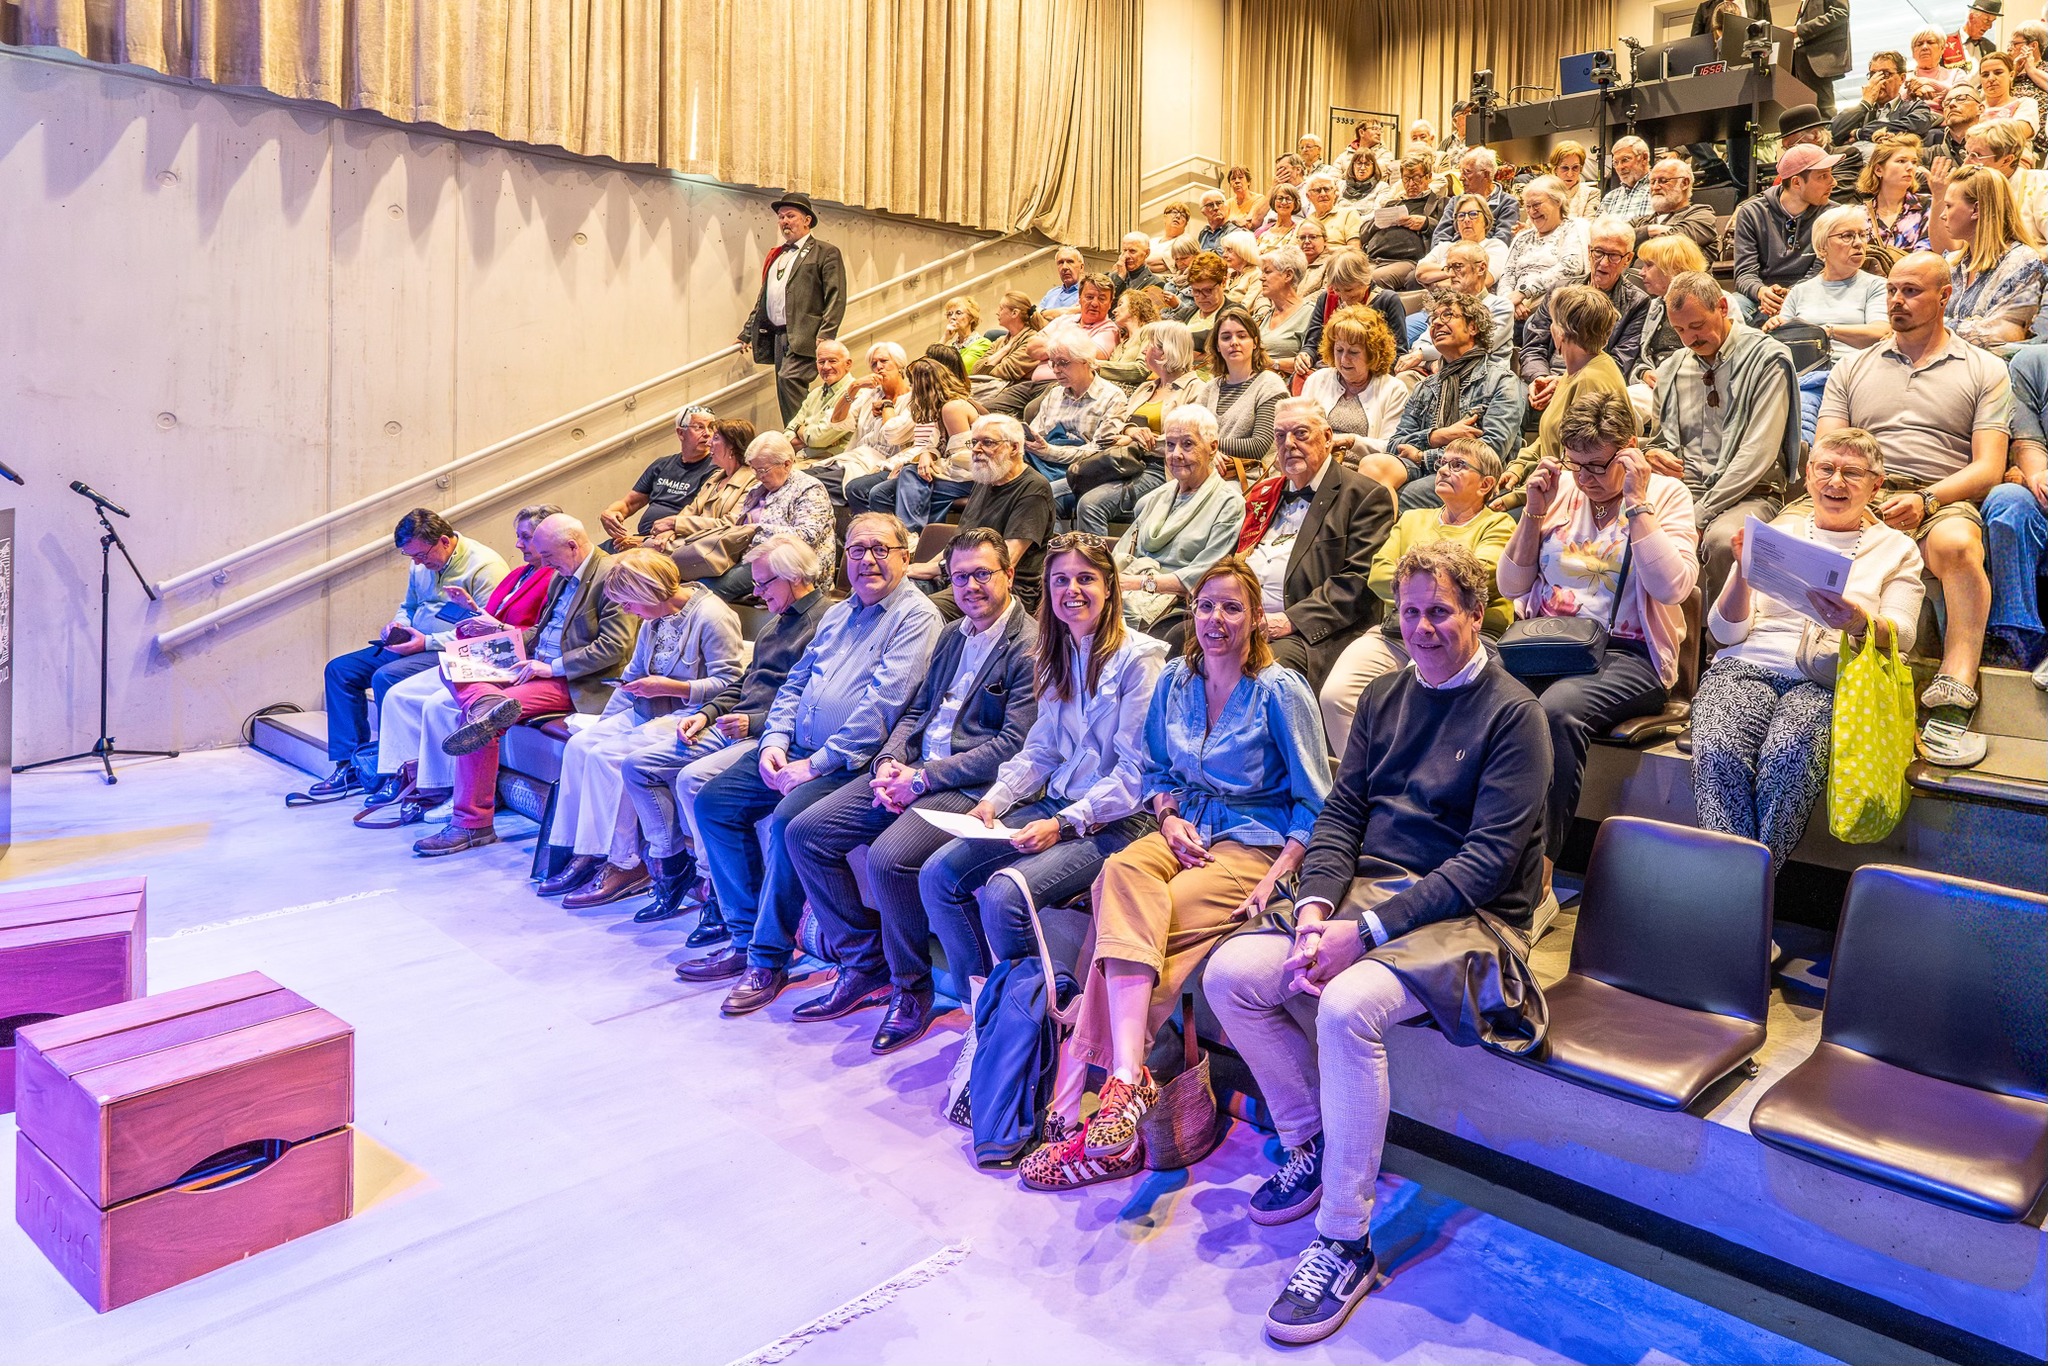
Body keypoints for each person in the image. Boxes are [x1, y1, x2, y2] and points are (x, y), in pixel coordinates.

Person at [1206, 540, 1551, 1346]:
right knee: (1231, 975)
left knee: (1346, 1006)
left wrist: (1361, 936)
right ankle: (1307, 1141)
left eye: (1440, 612)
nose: (1423, 628)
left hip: (1473, 919)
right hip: (1367, 895)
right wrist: (1315, 905)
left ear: (1477, 614)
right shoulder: (1386, 695)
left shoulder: (1517, 716)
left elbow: (1487, 863)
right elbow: (1342, 814)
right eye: (1410, 612)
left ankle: (1344, 1240)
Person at [1019, 558, 1332, 1192]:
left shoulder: (1280, 690)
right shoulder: (1175, 681)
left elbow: (1316, 802)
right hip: (1183, 831)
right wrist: (1165, 818)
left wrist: (1278, 876)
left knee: (1134, 928)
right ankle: (1126, 1081)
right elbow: (1157, 774)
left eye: (1232, 607)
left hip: (1251, 845)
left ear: (1256, 619)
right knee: (1119, 872)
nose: (1216, 619)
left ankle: (1080, 1094)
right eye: (1206, 605)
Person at [781, 529, 1040, 1051]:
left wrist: (921, 779)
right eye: (960, 577)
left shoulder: (1029, 646)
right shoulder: (953, 633)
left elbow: (1013, 745)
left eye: (983, 574)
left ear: (1009, 575)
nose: (970, 587)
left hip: (971, 785)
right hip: (914, 768)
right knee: (805, 833)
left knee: (888, 858)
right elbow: (918, 710)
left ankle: (911, 990)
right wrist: (889, 763)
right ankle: (864, 964)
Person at [680, 514, 945, 1013]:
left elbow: (882, 707)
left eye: (881, 549)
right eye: (857, 549)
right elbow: (794, 683)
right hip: (796, 747)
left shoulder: (916, 617)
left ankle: (768, 959)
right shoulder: (840, 612)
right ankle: (742, 935)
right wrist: (774, 740)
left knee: (789, 821)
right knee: (713, 802)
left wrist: (815, 766)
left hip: (850, 761)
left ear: (906, 556)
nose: (867, 560)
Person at [917, 537, 1168, 1062]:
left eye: (1085, 578)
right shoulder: (1056, 652)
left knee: (1005, 896)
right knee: (939, 875)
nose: (1072, 590)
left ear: (1109, 586)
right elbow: (1042, 748)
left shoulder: (1141, 660)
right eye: (1060, 580)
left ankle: (1035, 1038)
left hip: (1118, 820)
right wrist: (996, 799)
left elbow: (1134, 774)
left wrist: (1064, 823)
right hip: (1060, 806)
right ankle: (987, 1018)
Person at [1694, 429, 1926, 868]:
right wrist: (1744, 571)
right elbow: (1724, 632)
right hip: (1746, 665)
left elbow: (1904, 632)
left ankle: (1738, 894)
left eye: (1852, 473)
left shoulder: (1897, 549)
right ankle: (1742, 895)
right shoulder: (1778, 533)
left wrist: (1858, 621)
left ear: (1876, 485)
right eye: (1826, 469)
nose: (1836, 481)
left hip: (1828, 678)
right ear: (1807, 474)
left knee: (1788, 758)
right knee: (1719, 749)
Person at [1497, 394, 1700, 892]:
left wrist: (1638, 504)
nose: (1585, 477)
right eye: (1576, 464)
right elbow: (1510, 585)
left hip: (1629, 654)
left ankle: (1538, 875)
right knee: (1476, 690)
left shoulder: (1667, 495)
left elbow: (1673, 589)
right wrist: (1533, 513)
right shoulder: (1559, 490)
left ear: (1628, 449)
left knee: (1557, 710)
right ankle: (1472, 846)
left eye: (1597, 465)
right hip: (1547, 643)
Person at [1816, 252, 2013, 765]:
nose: (1896, 301)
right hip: (1858, 485)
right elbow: (1827, 450)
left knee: (1958, 544)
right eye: (1891, 291)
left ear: (1945, 296)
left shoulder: (1986, 369)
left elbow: (1988, 467)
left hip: (1940, 493)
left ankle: (1955, 684)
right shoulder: (1853, 366)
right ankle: (1774, 665)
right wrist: (1857, 494)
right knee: (1779, 533)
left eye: (1911, 291)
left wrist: (1928, 499)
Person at [623, 535, 831, 938]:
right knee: (637, 766)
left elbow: (814, 701)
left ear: (792, 577)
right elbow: (743, 683)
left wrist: (754, 723)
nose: (756, 593)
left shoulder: (824, 623)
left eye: (764, 583)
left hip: (769, 734)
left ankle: (714, 891)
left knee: (693, 780)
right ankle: (671, 868)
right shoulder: (776, 622)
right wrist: (706, 713)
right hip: (733, 723)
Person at [412, 514, 639, 857]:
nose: (543, 564)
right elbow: (542, 632)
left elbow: (615, 648)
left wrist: (551, 667)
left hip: (573, 680)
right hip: (533, 666)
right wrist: (500, 634)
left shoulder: (611, 576)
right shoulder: (561, 575)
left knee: (475, 722)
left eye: (547, 556)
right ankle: (486, 704)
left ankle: (472, 824)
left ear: (572, 546)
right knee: (453, 665)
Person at [533, 550, 746, 908]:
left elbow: (731, 684)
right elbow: (631, 679)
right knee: (581, 745)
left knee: (606, 757)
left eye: (628, 602)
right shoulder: (653, 620)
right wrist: (604, 723)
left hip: (691, 715)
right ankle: (582, 851)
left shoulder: (712, 616)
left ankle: (624, 862)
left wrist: (672, 687)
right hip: (650, 709)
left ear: (647, 591)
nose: (626, 611)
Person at [359, 505, 560, 823]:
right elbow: (488, 616)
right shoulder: (520, 574)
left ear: (552, 538)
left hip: (506, 657)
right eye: (518, 536)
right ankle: (405, 776)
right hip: (481, 649)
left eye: (526, 537)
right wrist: (472, 612)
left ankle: (442, 789)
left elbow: (532, 632)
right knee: (397, 694)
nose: (518, 544)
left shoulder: (548, 577)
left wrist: (483, 627)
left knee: (437, 703)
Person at [1317, 440, 1515, 755]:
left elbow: (1475, 578)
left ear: (1486, 484)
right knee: (1336, 695)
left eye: (1458, 465)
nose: (1444, 470)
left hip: (1461, 635)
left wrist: (1411, 574)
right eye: (1442, 463)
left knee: (1415, 702)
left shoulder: (1498, 524)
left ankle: (1409, 779)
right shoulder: (1412, 519)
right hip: (1397, 630)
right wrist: (1438, 580)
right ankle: (1366, 779)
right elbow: (1378, 575)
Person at [310, 509, 509, 799]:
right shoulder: (421, 564)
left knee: (386, 677)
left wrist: (426, 642)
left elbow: (487, 630)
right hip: (413, 642)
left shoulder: (485, 567)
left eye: (421, 555)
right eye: (410, 556)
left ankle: (397, 770)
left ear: (444, 541)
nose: (417, 562)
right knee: (340, 670)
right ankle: (350, 766)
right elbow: (409, 606)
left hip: (450, 650)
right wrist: (399, 625)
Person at [1643, 272, 1799, 601]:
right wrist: (1652, 455)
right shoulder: (1671, 368)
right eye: (1679, 330)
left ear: (1723, 307)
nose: (1689, 339)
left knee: (1724, 541)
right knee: (1630, 530)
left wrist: (1699, 514)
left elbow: (1758, 453)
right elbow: (1659, 441)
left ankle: (1723, 636)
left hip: (1750, 493)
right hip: (1683, 490)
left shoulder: (1767, 359)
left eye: (1697, 325)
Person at [1232, 397, 1396, 687]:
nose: (1289, 444)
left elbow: (1357, 583)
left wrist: (1291, 620)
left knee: (1262, 667)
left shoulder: (1365, 496)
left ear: (1328, 438)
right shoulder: (1265, 494)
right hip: (1243, 621)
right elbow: (1232, 560)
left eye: (1301, 433)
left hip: (1312, 633)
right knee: (1182, 641)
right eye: (1280, 436)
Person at [1378, 290, 1523, 510]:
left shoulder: (1501, 381)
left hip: (1475, 477)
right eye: (1433, 318)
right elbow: (1395, 444)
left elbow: (1492, 450)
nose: (1436, 323)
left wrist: (1422, 456)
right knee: (1370, 483)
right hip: (1424, 470)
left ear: (1473, 327)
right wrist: (1436, 436)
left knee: (1397, 498)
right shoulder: (1425, 386)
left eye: (1447, 315)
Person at [1113, 405, 1247, 635]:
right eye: (1170, 445)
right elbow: (1122, 550)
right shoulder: (1157, 497)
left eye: (1187, 444)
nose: (1175, 454)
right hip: (1128, 593)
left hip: (1180, 609)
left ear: (1212, 447)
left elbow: (1205, 575)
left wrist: (1140, 583)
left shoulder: (1229, 504)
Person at [906, 414, 1059, 614]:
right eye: (974, 442)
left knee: (920, 611)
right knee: (887, 590)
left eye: (987, 442)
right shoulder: (986, 479)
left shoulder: (1033, 489)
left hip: (998, 587)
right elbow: (959, 544)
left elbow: (1006, 559)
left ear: (1014, 448)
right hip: (961, 578)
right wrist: (920, 568)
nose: (977, 449)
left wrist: (938, 569)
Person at [1766, 206, 1890, 443]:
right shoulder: (1799, 292)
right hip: (1806, 374)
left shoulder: (1876, 286)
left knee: (1807, 401)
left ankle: (1809, 454)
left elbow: (1881, 332)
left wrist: (1827, 331)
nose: (1858, 243)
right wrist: (1776, 326)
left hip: (1855, 373)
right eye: (1847, 236)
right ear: (1822, 247)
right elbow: (1785, 341)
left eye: (1862, 235)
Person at [1501, 285, 1638, 496]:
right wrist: (1519, 467)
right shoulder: (1577, 370)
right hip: (1553, 486)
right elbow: (1553, 438)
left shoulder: (1590, 382)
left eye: (1553, 321)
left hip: (1574, 495)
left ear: (1560, 334)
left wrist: (1516, 497)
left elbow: (1579, 467)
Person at [1081, 320, 1204, 536]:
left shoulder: (1196, 390)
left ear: (1166, 351)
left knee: (1090, 504)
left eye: (1150, 345)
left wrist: (1136, 440)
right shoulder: (1146, 387)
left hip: (1161, 468)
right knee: (1052, 490)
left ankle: (1098, 559)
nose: (1144, 350)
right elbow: (1116, 422)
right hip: (1123, 462)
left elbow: (1188, 441)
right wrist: (1130, 430)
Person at [738, 192, 847, 424]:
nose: (784, 221)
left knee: (789, 379)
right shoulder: (777, 256)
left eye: (790, 216)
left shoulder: (825, 252)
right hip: (778, 335)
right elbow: (764, 298)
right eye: (781, 217)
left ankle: (800, 435)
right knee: (783, 385)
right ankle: (798, 433)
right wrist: (747, 333)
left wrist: (827, 333)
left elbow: (836, 296)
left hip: (806, 335)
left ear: (807, 220)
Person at [697, 433, 835, 602]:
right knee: (694, 579)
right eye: (754, 469)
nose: (757, 476)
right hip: (749, 559)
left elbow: (808, 536)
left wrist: (757, 529)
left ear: (787, 464)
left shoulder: (809, 488)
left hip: (786, 566)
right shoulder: (758, 489)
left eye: (763, 470)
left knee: (707, 590)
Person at [1516, 218, 1649, 392]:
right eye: (1598, 252)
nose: (1604, 263)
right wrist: (1540, 378)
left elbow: (1620, 362)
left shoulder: (1637, 302)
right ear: (1589, 251)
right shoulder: (1559, 290)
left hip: (1591, 387)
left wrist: (1564, 383)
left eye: (1614, 256)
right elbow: (1534, 346)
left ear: (1628, 259)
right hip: (1544, 378)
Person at [1986, 346, 2048, 683]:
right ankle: (2017, 639)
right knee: (2008, 500)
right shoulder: (2033, 363)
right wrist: (2039, 476)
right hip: (2042, 503)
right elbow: (2027, 441)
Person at [1934, 164, 2046, 345]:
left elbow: (2004, 333)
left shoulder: (2024, 263)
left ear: (1976, 210)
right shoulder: (1951, 262)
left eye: (1949, 206)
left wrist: (1933, 326)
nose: (1943, 215)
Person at [874, 357, 982, 533]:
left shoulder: (952, 408)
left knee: (910, 474)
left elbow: (965, 459)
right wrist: (926, 455)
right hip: (958, 475)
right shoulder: (942, 409)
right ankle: (888, 538)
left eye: (913, 386)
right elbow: (932, 444)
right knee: (880, 492)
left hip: (973, 479)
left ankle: (911, 536)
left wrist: (930, 466)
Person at [1732, 144, 1837, 321]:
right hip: (1762, 295)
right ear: (1796, 182)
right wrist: (1761, 291)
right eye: (1823, 176)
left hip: (1811, 292)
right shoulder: (1751, 213)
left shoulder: (1832, 214)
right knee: (1733, 307)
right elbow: (1744, 273)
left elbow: (1821, 270)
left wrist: (1792, 294)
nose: (1833, 182)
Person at [994, 273, 1120, 417]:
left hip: (1063, 384)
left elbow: (1087, 356)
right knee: (990, 409)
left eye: (1102, 298)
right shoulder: (1065, 320)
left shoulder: (1109, 330)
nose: (1095, 303)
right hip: (1032, 383)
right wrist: (1068, 350)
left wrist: (1051, 345)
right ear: (1080, 298)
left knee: (1032, 411)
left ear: (1110, 303)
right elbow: (1031, 347)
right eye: (1089, 297)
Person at [1023, 340, 1128, 509]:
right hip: (1041, 464)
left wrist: (1050, 452)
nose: (1056, 370)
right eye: (1053, 363)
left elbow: (1099, 452)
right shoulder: (1054, 394)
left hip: (1080, 471)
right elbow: (1036, 434)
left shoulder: (1112, 397)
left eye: (1063, 363)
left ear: (1085, 361)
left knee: (1034, 496)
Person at [1300, 305, 1412, 462]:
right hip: (1316, 466)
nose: (1344, 359)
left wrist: (1351, 441)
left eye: (1353, 352)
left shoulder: (1393, 389)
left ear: (1373, 353)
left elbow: (1392, 447)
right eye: (1339, 350)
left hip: (1364, 470)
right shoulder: (1317, 380)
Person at [600, 405, 720, 550]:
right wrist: (610, 513)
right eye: (699, 427)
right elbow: (629, 503)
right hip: (642, 538)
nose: (707, 434)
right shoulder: (662, 465)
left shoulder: (716, 469)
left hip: (674, 543)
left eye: (711, 427)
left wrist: (645, 542)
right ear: (681, 433)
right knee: (590, 555)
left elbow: (703, 519)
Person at [1196, 307, 1288, 477]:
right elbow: (1190, 433)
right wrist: (1207, 450)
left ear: (1255, 343)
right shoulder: (1210, 388)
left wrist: (1207, 446)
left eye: (1242, 336)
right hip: (1208, 473)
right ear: (1217, 346)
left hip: (1251, 476)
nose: (1234, 342)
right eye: (1226, 337)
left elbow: (1258, 446)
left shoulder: (1270, 385)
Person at [1296, 250, 1413, 383]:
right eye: (1337, 289)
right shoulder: (1326, 298)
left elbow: (1399, 352)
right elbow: (1312, 344)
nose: (1344, 297)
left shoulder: (1388, 300)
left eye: (1349, 289)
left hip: (1371, 375)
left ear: (1365, 280)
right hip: (1329, 371)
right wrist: (1306, 355)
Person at [645, 417, 758, 548]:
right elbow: (691, 510)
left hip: (716, 546)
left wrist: (675, 523)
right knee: (651, 544)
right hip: (693, 540)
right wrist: (670, 531)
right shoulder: (715, 477)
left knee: (649, 548)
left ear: (732, 446)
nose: (709, 443)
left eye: (716, 438)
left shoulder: (752, 481)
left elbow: (731, 524)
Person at [823, 341, 914, 505]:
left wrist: (887, 405)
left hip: (881, 463)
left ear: (900, 365)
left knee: (810, 483)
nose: (878, 367)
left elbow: (893, 434)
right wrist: (854, 387)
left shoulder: (912, 399)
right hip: (855, 458)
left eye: (884, 361)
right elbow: (837, 421)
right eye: (874, 364)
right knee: (801, 476)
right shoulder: (870, 395)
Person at [1496, 177, 1588, 327]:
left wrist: (1524, 293)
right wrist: (1510, 301)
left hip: (1552, 308)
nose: (1532, 211)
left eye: (1537, 205)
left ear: (1558, 202)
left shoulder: (1573, 228)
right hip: (1515, 308)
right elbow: (1507, 274)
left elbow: (1571, 266)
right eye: (1528, 206)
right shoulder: (1522, 237)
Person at [1630, 233, 1711, 389]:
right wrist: (1643, 373)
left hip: (1694, 385)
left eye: (1649, 265)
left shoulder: (1713, 301)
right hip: (1654, 386)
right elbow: (1640, 358)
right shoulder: (1654, 307)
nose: (1641, 272)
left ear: (1672, 267)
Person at [1360, 152, 1446, 289]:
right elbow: (1363, 234)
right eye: (1406, 179)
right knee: (1342, 271)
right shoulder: (1391, 204)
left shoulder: (1439, 204)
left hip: (1406, 261)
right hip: (1372, 258)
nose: (1411, 184)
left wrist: (1426, 223)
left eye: (1416, 178)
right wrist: (1377, 222)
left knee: (1376, 278)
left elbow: (1447, 231)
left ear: (1429, 177)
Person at [1834, 51, 1938, 143]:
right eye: (1873, 74)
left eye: (1885, 74)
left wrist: (1860, 133)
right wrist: (1865, 103)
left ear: (1902, 78)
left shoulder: (1915, 107)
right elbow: (1833, 132)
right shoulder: (1860, 111)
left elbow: (1918, 124)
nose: (1877, 80)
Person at [780, 343, 856, 468]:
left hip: (830, 463)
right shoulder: (815, 394)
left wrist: (800, 431)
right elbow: (787, 434)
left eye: (832, 361)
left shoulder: (855, 393)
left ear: (848, 364)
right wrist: (810, 439)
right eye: (821, 362)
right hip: (802, 458)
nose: (826, 367)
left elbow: (818, 438)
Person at [1632, 158, 1723, 256]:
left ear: (1684, 183)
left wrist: (1640, 235)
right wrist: (1651, 229)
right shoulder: (1640, 221)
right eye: (1652, 182)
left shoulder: (1702, 215)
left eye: (1663, 181)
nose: (1655, 187)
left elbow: (1677, 241)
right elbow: (1619, 237)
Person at [1414, 193, 1508, 289]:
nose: (1466, 219)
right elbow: (1420, 272)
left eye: (1473, 214)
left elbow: (1483, 281)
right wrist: (1461, 271)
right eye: (1461, 215)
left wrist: (1436, 284)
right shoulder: (1444, 247)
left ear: (1486, 220)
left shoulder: (1495, 246)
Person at [1432, 149, 1519, 246]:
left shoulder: (1507, 203)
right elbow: (1440, 237)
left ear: (1486, 175)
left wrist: (1470, 252)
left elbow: (1502, 241)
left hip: (1487, 254)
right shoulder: (1456, 201)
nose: (1461, 178)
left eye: (1467, 172)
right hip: (1452, 252)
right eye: (1461, 172)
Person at [1862, 139, 1934, 255]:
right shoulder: (1860, 215)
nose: (1910, 167)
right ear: (1879, 170)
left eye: (1914, 162)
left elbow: (1928, 252)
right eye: (1901, 161)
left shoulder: (1929, 205)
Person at [969, 293, 1045, 402]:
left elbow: (1006, 372)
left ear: (1014, 313)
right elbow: (976, 370)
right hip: (994, 390)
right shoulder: (1000, 340)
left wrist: (990, 364)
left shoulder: (1032, 340)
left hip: (1015, 393)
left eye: (1001, 308)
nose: (997, 312)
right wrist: (1004, 350)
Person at [1256, 245, 1317, 368]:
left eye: (1267, 272)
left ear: (1288, 275)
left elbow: (1313, 359)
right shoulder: (1263, 316)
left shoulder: (1310, 313)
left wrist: (1273, 364)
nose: (1261, 278)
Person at [1793, 0, 1855, 121]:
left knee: (1823, 113)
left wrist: (1799, 30)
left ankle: (1827, 133)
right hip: (1804, 57)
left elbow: (1840, 12)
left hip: (1819, 57)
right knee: (1806, 113)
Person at [1975, 52, 2042, 132]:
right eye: (1985, 75)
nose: (1991, 78)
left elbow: (2018, 133)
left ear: (2011, 75)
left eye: (1998, 73)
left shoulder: (2025, 104)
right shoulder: (1973, 109)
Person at [1925, 81, 1986, 164]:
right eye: (1947, 103)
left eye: (1961, 99)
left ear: (1980, 108)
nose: (1951, 104)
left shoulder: (1994, 146)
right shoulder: (1929, 156)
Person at [1600, 136, 1655, 220]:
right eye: (1615, 163)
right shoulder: (1610, 198)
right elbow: (1596, 227)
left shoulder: (1659, 191)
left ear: (1644, 158)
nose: (1620, 167)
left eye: (1625, 160)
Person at [1549, 141, 1602, 219]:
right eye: (1564, 168)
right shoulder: (1543, 193)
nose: (1570, 174)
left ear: (1581, 169)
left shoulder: (1591, 194)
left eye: (1575, 167)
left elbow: (1588, 225)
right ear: (1555, 169)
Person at [1947, 0, 2002, 72]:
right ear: (1971, 17)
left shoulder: (1990, 48)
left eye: (1992, 21)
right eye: (1986, 20)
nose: (1989, 27)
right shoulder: (1945, 43)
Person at [1110, 232, 1161, 302]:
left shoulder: (1155, 283)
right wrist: (1120, 278)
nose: (1126, 256)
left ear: (1147, 253)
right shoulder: (1112, 277)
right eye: (1125, 250)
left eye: (1132, 251)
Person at [1037, 246, 1087, 317]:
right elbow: (1035, 315)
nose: (1064, 267)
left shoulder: (1088, 294)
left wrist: (1044, 313)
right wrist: (1067, 311)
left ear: (1081, 267)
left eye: (1070, 262)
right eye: (1060, 262)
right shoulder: (1051, 293)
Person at [1908, 26, 1957, 96]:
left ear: (1942, 49)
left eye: (1930, 42)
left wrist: (1929, 82)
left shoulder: (1956, 74)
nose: (1924, 47)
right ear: (1913, 52)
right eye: (1919, 44)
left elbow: (1963, 93)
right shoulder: (1904, 79)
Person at [1261, 185, 1306, 251]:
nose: (1284, 202)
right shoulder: (1261, 231)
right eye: (1280, 198)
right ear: (1273, 201)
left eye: (1288, 199)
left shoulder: (1299, 231)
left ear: (1295, 203)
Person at [1224, 166, 1269, 232]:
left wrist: (1230, 221)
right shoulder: (1227, 203)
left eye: (1240, 177)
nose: (1237, 181)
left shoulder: (1258, 199)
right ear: (1230, 184)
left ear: (1248, 182)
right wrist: (1235, 221)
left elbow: (1249, 224)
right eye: (1233, 179)